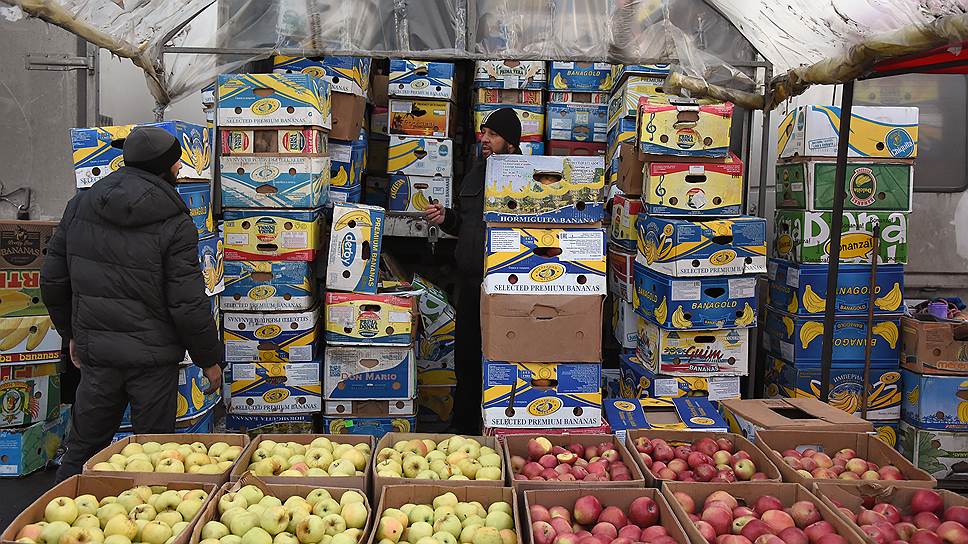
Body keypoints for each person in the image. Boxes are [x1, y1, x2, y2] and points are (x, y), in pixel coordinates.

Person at [42, 126, 223, 480]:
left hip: (99, 356)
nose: (180, 168)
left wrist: (71, 333)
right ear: (164, 168)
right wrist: (209, 359)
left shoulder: (80, 206)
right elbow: (186, 302)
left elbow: (53, 281)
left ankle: (58, 507)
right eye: (176, 163)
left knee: (82, 451)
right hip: (153, 363)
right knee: (152, 456)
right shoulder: (175, 221)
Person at [424, 107, 521, 435]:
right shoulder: (476, 173)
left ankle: (499, 428)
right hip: (470, 284)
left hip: (506, 286)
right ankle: (463, 429)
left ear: (511, 142)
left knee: (502, 360)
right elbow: (467, 223)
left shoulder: (523, 176)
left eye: (493, 135)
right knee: (466, 360)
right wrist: (447, 218)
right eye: (484, 133)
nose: (485, 139)